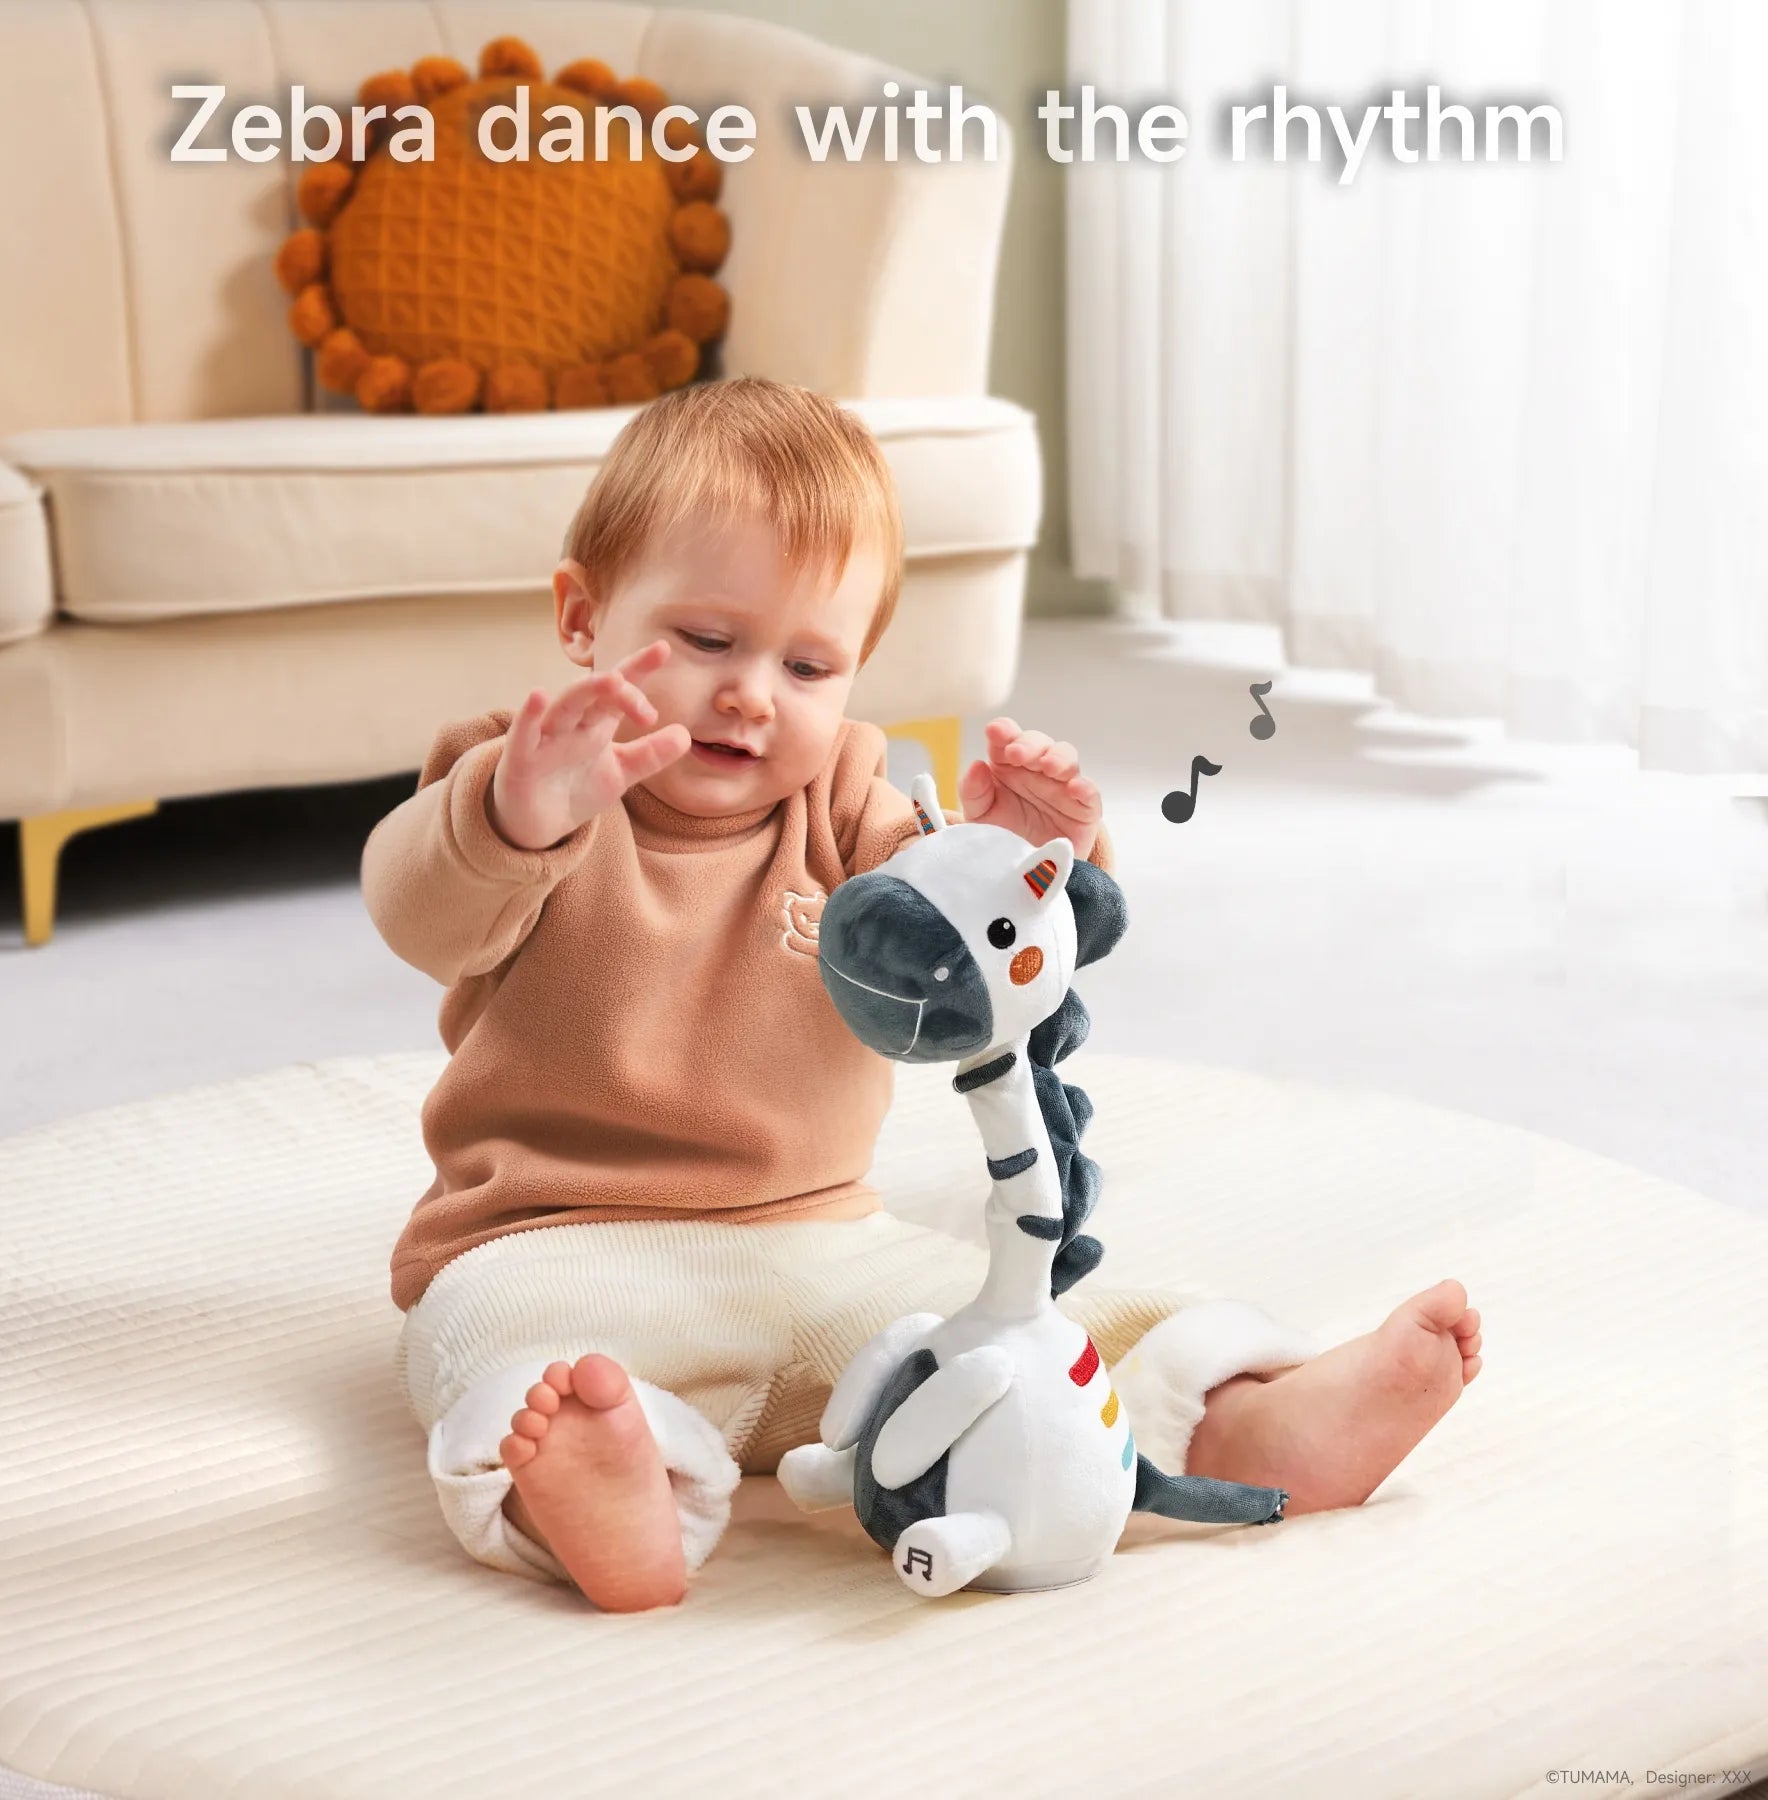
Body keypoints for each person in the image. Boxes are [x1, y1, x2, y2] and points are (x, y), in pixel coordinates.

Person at [364, 376, 1482, 1612]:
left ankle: (1229, 1420)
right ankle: (608, 1477)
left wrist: (1025, 859)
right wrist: (518, 812)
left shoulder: (845, 796)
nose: (752, 694)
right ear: (583, 617)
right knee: (509, 1354)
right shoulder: (523, 781)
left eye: (808, 662)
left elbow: (979, 956)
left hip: (826, 1242)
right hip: (558, 1238)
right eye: (704, 641)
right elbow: (417, 911)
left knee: (1026, 1325)